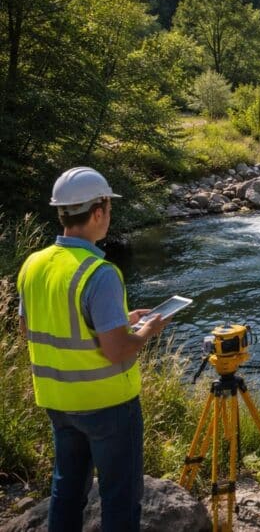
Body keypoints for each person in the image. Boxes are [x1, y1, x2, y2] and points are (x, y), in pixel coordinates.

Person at [17, 167, 171, 532]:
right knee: (119, 499)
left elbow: (29, 328)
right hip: (108, 405)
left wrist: (119, 317)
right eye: (109, 209)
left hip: (57, 400)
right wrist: (146, 329)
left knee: (67, 491)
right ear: (98, 211)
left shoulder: (33, 264)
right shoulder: (100, 273)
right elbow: (118, 351)